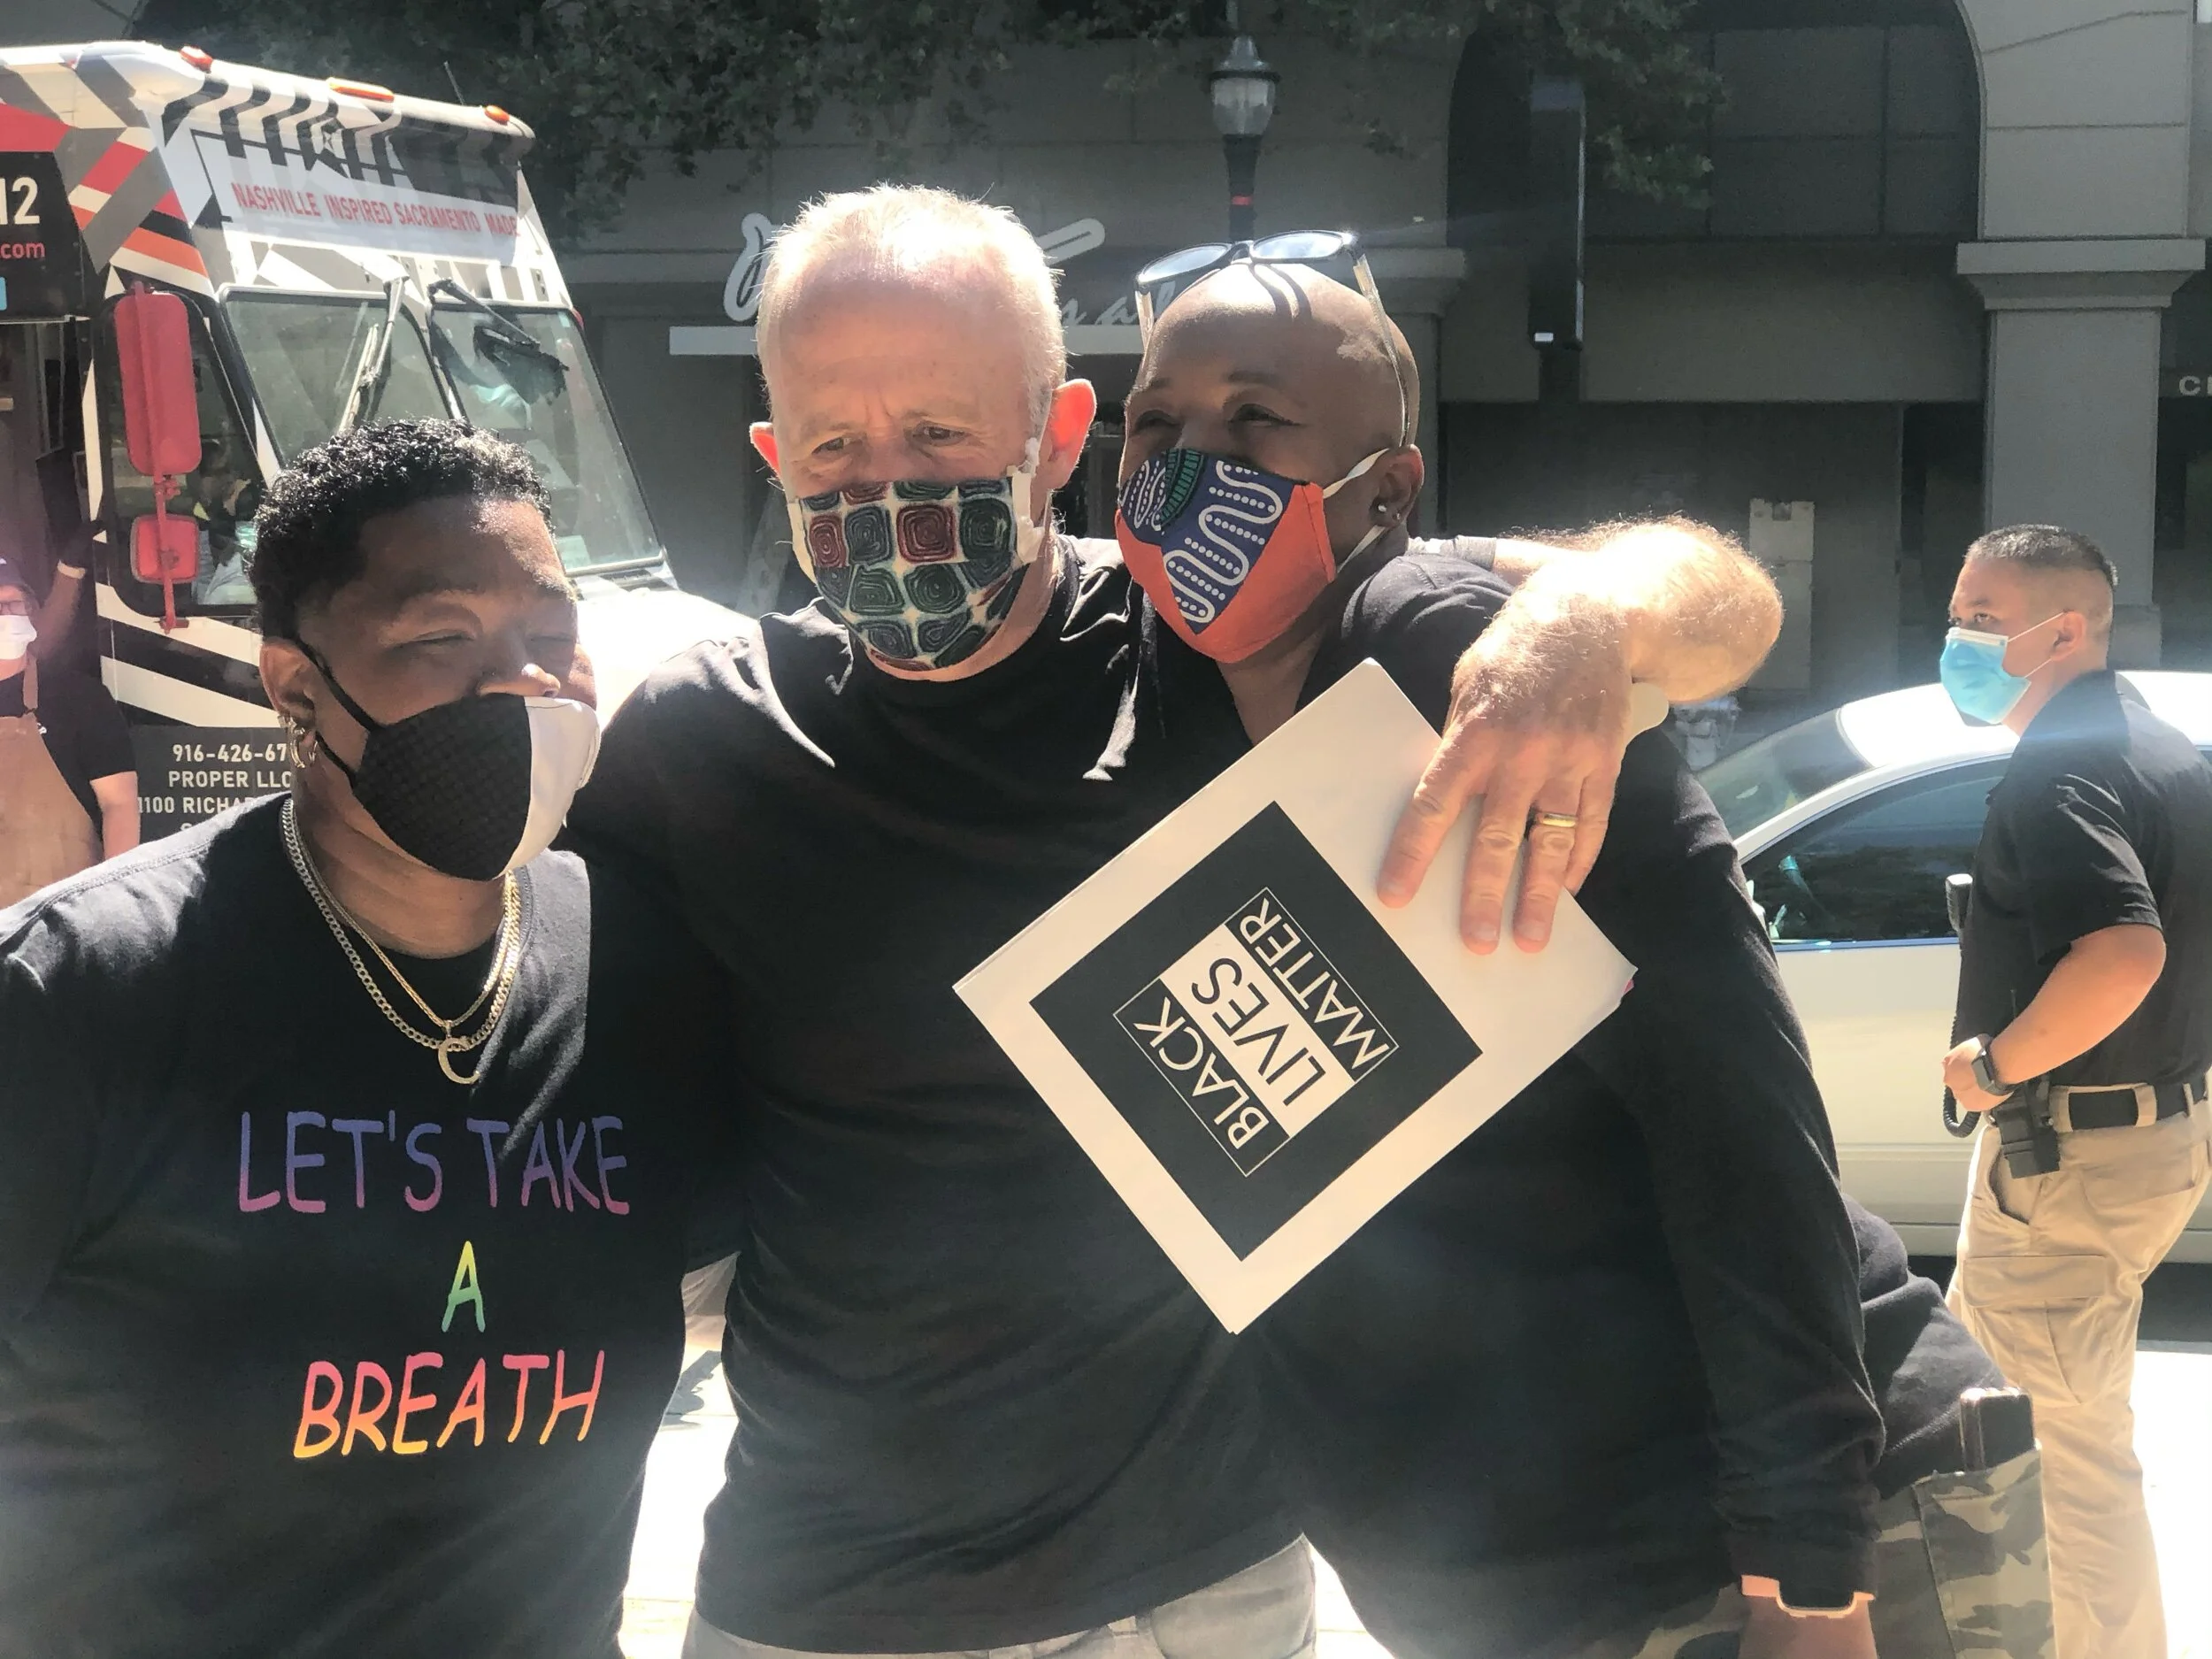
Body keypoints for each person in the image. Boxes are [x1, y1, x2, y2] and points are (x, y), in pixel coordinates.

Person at [566, 184, 1783, 1659]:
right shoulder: (701, 744)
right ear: (774, 455)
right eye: (834, 443)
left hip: (1212, 1582)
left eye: (943, 435)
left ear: (1058, 437)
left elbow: (1720, 606)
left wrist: (1582, 622)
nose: (883, 480)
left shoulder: (1225, 657)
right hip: (838, 1597)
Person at [1116, 250, 2055, 1659]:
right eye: (1155, 421)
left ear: (1388, 485)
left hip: (1757, 1550)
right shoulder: (1158, 695)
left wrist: (1809, 1576)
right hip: (1513, 1578)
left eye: (1257, 422)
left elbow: (1739, 1120)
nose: (1193, 463)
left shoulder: (1472, 667)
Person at [0, 420, 740, 1657]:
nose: (519, 684)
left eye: (550, 639)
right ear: (294, 684)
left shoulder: (640, 970)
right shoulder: (78, 997)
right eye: (440, 640)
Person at [1937, 524, 2212, 1659]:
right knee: (2063, 1426)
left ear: (2065, 631)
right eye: (1957, 611)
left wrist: (1995, 1064)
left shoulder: (2060, 770)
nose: (1956, 636)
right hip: (2149, 1138)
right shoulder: (2161, 748)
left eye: (1982, 617)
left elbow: (2124, 952)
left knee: (2056, 1455)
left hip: (2073, 1162)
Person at [0, 553, 136, 907]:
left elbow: (119, 805)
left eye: (12, 604)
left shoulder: (80, 698)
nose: (4, 616)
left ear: (30, 609)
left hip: (63, 925)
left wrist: (113, 903)